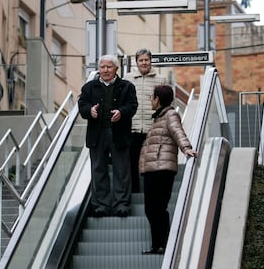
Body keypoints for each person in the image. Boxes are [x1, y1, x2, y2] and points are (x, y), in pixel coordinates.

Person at [139, 85, 197, 254]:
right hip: (153, 169)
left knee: (158, 208)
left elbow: (178, 131)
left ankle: (165, 244)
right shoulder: (159, 118)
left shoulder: (170, 115)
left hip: (162, 169)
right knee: (151, 209)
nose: (151, 100)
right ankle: (157, 245)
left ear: (157, 99)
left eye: (152, 97)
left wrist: (186, 148)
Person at [78, 54, 138, 217]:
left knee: (122, 170)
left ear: (116, 69)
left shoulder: (127, 86)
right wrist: (89, 111)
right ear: (98, 69)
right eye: (102, 67)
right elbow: (82, 105)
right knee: (98, 170)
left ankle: (122, 205)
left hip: (119, 133)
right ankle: (100, 205)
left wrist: (121, 112)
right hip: (97, 134)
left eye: (109, 67)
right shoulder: (89, 87)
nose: (105, 70)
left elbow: (132, 106)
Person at [124, 48, 167, 193]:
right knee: (132, 162)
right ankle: (135, 191)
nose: (144, 63)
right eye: (141, 60)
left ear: (151, 61)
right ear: (136, 62)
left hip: (152, 129)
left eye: (146, 60)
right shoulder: (127, 79)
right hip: (133, 128)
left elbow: (166, 105)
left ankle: (151, 192)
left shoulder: (161, 80)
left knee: (151, 163)